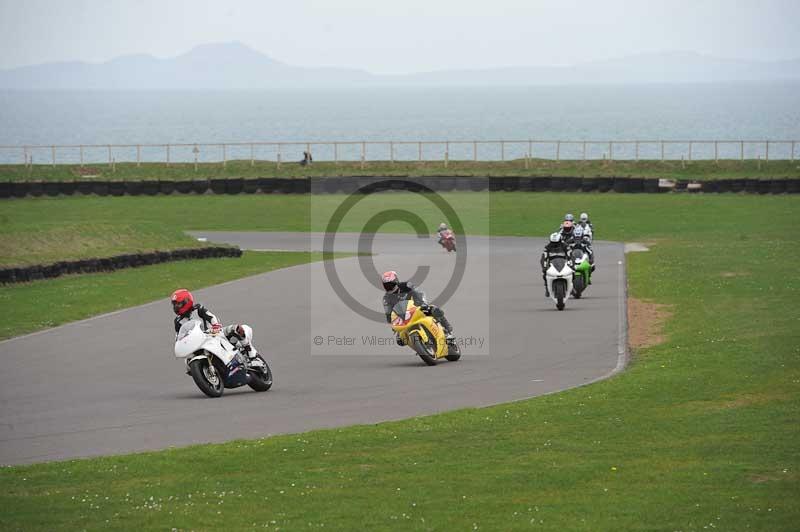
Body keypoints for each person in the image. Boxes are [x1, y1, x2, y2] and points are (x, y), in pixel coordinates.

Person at [171, 288, 254, 358]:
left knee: (236, 329)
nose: (176, 307)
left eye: (178, 304)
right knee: (188, 363)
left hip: (212, 334)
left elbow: (211, 317)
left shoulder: (198, 309)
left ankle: (250, 353)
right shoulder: (178, 321)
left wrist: (216, 325)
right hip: (196, 343)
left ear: (187, 301)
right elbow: (178, 337)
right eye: (174, 304)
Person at [381, 270, 454, 344]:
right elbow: (388, 313)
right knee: (400, 341)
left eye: (390, 284)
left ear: (395, 281)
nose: (389, 287)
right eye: (386, 285)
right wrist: (394, 326)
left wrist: (423, 303)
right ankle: (420, 346)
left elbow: (419, 293)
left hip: (416, 308)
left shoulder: (406, 285)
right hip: (404, 317)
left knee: (433, 309)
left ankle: (448, 332)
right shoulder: (386, 298)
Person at [540, 232, 569, 297]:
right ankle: (547, 288)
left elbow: (570, 254)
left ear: (560, 240)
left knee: (573, 271)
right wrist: (544, 267)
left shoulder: (565, 246)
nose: (555, 244)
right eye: (553, 243)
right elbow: (543, 258)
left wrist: (571, 263)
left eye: (556, 243)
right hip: (552, 263)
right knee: (544, 273)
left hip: (563, 262)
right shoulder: (547, 247)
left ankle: (572, 286)